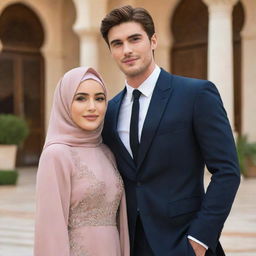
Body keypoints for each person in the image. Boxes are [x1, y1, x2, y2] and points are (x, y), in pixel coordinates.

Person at [100, 5, 240, 256]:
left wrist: (199, 239)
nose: (127, 50)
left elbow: (227, 171)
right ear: (111, 51)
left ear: (153, 40)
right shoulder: (109, 112)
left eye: (135, 39)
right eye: (117, 43)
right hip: (131, 244)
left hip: (184, 241)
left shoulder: (196, 95)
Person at [34, 67, 129, 256]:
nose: (92, 106)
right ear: (65, 103)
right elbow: (50, 230)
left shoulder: (107, 152)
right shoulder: (56, 155)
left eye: (99, 98)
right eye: (81, 98)